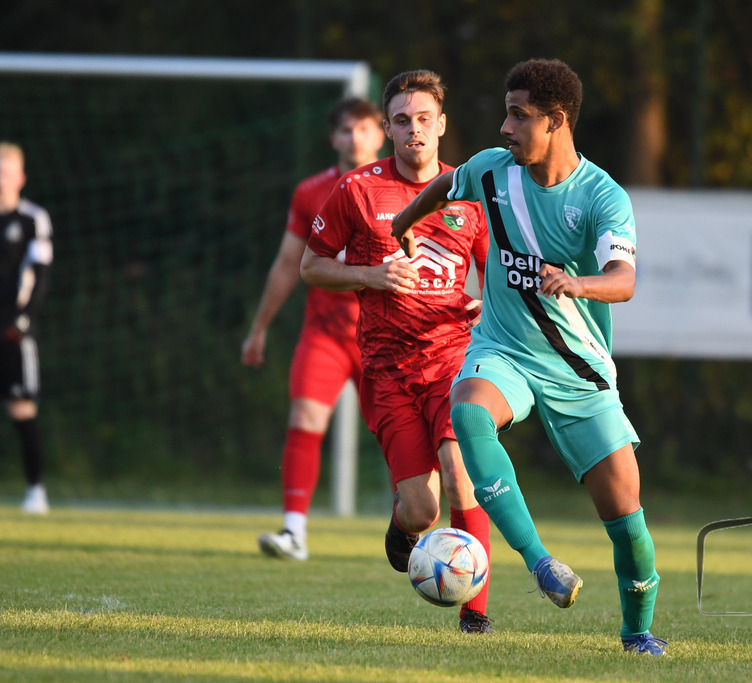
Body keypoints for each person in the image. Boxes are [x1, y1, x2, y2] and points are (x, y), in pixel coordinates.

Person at [391, 58, 668, 655]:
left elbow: (623, 280)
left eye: (519, 115)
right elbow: (448, 183)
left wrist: (577, 283)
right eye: (506, 112)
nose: (504, 127)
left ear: (557, 120)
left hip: (578, 368)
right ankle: (539, 562)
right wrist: (406, 224)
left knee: (629, 523)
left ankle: (638, 631)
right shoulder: (493, 172)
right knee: (466, 415)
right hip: (504, 349)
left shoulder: (601, 196)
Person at [300, 70, 493, 634]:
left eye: (424, 120)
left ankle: (475, 615)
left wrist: (484, 302)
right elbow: (313, 266)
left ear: (442, 126)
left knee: (463, 475)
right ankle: (404, 528)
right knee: (423, 510)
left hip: (455, 363)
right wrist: (372, 275)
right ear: (387, 128)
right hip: (387, 371)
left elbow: (492, 270)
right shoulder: (357, 190)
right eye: (403, 120)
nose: (414, 130)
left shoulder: (471, 190)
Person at [242, 98, 387, 561]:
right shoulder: (310, 192)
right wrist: (259, 328)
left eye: (363, 128)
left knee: (402, 432)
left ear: (379, 134)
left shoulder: (403, 188)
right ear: (334, 139)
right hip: (324, 333)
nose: (355, 137)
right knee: (304, 420)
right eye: (346, 130)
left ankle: (423, 534)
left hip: (385, 336)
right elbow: (289, 264)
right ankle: (294, 532)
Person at [0, 142, 54, 515]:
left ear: (21, 178)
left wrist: (23, 320)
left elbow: (42, 274)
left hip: (12, 330)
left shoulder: (33, 219)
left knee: (21, 408)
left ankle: (36, 490)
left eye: (8, 172)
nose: (1, 179)